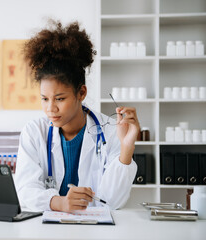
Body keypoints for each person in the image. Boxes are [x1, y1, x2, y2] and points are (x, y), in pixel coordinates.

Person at [14, 20, 139, 212]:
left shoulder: (112, 130)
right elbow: (24, 191)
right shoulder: (34, 132)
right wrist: (59, 202)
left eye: (60, 98)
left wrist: (127, 147)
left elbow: (113, 203)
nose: (50, 109)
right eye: (44, 99)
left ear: (81, 93)